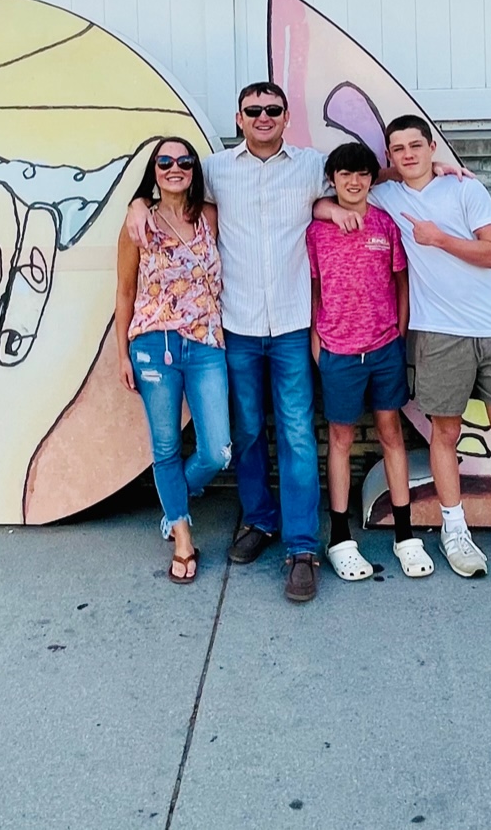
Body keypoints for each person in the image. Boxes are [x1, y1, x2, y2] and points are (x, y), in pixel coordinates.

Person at [127, 83, 327, 603]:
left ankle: (302, 547)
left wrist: (430, 171)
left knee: (298, 434)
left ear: (288, 116)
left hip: (289, 323)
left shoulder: (311, 166)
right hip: (233, 326)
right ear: (238, 117)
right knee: (246, 434)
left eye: (273, 110)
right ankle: (259, 521)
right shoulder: (215, 168)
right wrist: (135, 201)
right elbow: (169, 184)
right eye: (254, 110)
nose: (264, 117)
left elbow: (364, 180)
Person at [358, 115, 491, 577]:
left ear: (431, 147)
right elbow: (343, 186)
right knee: (443, 435)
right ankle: (454, 529)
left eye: (416, 146)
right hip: (438, 334)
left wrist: (438, 239)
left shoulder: (466, 190)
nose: (408, 154)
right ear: (389, 156)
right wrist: (393, 173)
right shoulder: (387, 194)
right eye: (397, 148)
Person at [308, 142, 433, 582]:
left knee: (391, 433)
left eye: (361, 174)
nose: (354, 182)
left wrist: (398, 333)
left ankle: (404, 533)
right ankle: (340, 536)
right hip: (339, 350)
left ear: (370, 178)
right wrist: (315, 334)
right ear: (333, 179)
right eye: (344, 174)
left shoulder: (385, 224)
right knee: (339, 438)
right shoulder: (316, 231)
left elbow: (401, 281)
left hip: (384, 350)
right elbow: (315, 288)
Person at [114, 137, 232, 585]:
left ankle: (174, 500)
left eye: (183, 161)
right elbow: (125, 291)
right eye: (164, 162)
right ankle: (182, 536)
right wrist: (122, 353)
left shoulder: (209, 217)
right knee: (164, 446)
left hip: (205, 344)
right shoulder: (135, 227)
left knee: (217, 449)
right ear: (154, 170)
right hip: (151, 346)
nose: (174, 167)